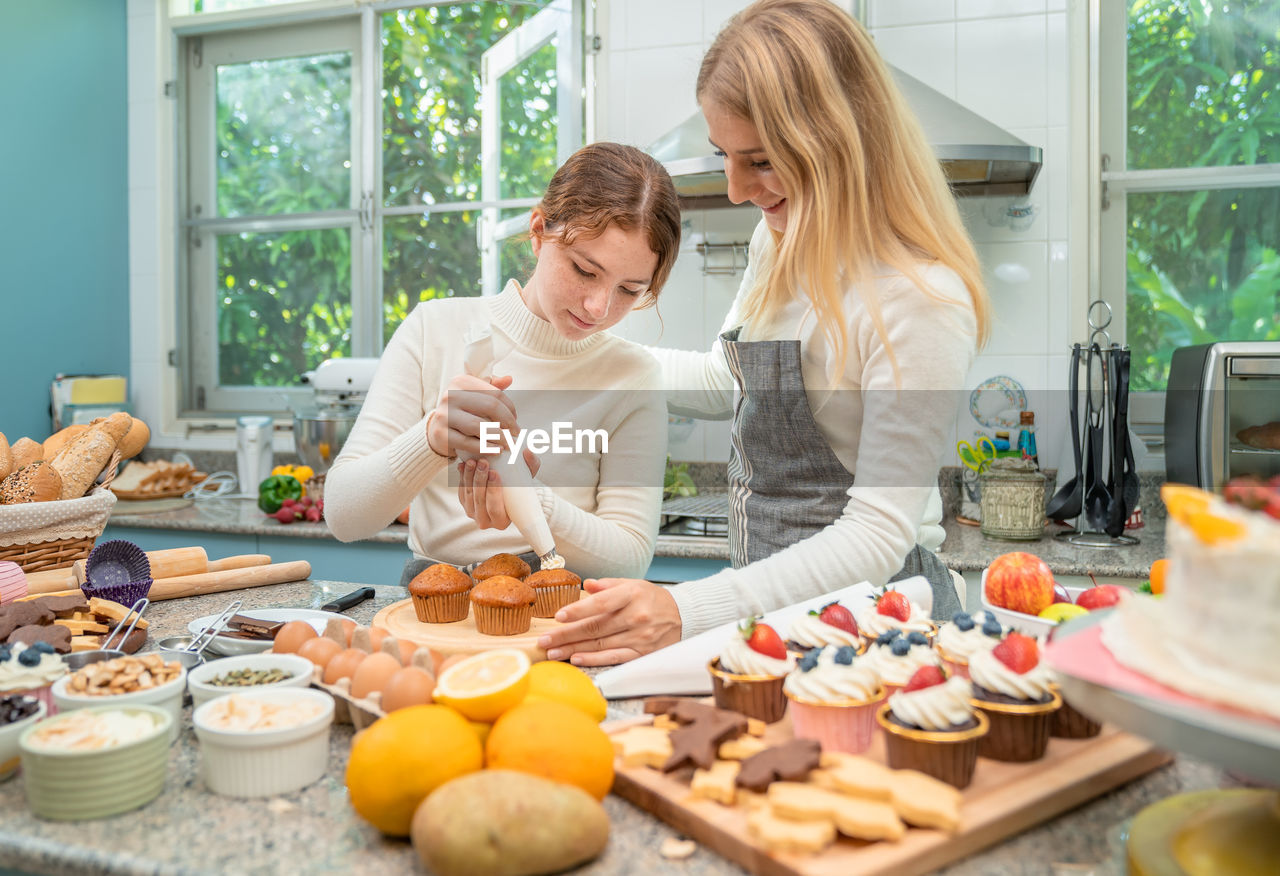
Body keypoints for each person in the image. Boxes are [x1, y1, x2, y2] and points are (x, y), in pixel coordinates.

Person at [540, 0, 990, 666]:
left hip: (875, 638)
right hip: (772, 628)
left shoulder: (921, 300)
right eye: (724, 154)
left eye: (760, 160)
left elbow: (874, 538)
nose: (733, 188)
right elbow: (727, 382)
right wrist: (583, 352)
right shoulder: (777, 242)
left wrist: (684, 610)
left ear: (837, 137)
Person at [325, 142, 681, 585]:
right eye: (585, 270)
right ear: (538, 231)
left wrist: (527, 497)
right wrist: (433, 440)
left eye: (629, 290)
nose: (597, 306)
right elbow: (342, 515)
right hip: (434, 603)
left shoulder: (633, 376)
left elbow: (629, 560)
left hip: (561, 610)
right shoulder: (433, 329)